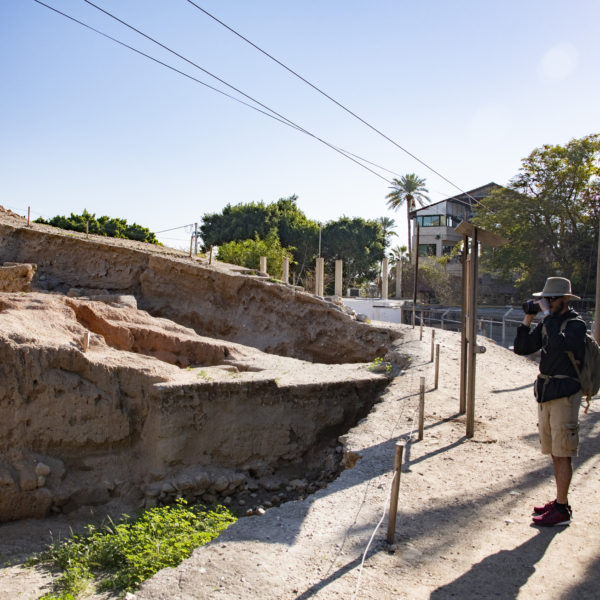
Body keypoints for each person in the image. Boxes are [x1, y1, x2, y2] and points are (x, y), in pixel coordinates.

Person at [513, 276, 586, 526]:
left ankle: (563, 509)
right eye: (545, 299)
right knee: (554, 451)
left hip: (565, 394)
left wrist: (547, 316)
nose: (547, 303)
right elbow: (522, 348)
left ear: (565, 299)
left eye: (551, 299)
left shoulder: (576, 325)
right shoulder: (549, 323)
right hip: (546, 392)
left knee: (563, 452)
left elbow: (557, 344)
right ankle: (558, 502)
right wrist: (528, 319)